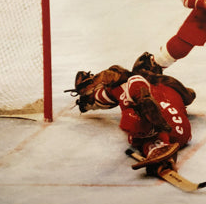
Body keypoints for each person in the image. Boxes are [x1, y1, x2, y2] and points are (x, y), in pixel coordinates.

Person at [66, 52, 196, 172]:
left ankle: (158, 148)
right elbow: (190, 95)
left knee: (132, 114)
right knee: (137, 104)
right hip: (182, 131)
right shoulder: (170, 84)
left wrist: (91, 90)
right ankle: (161, 150)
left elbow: (113, 76)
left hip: (163, 131)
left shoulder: (131, 82)